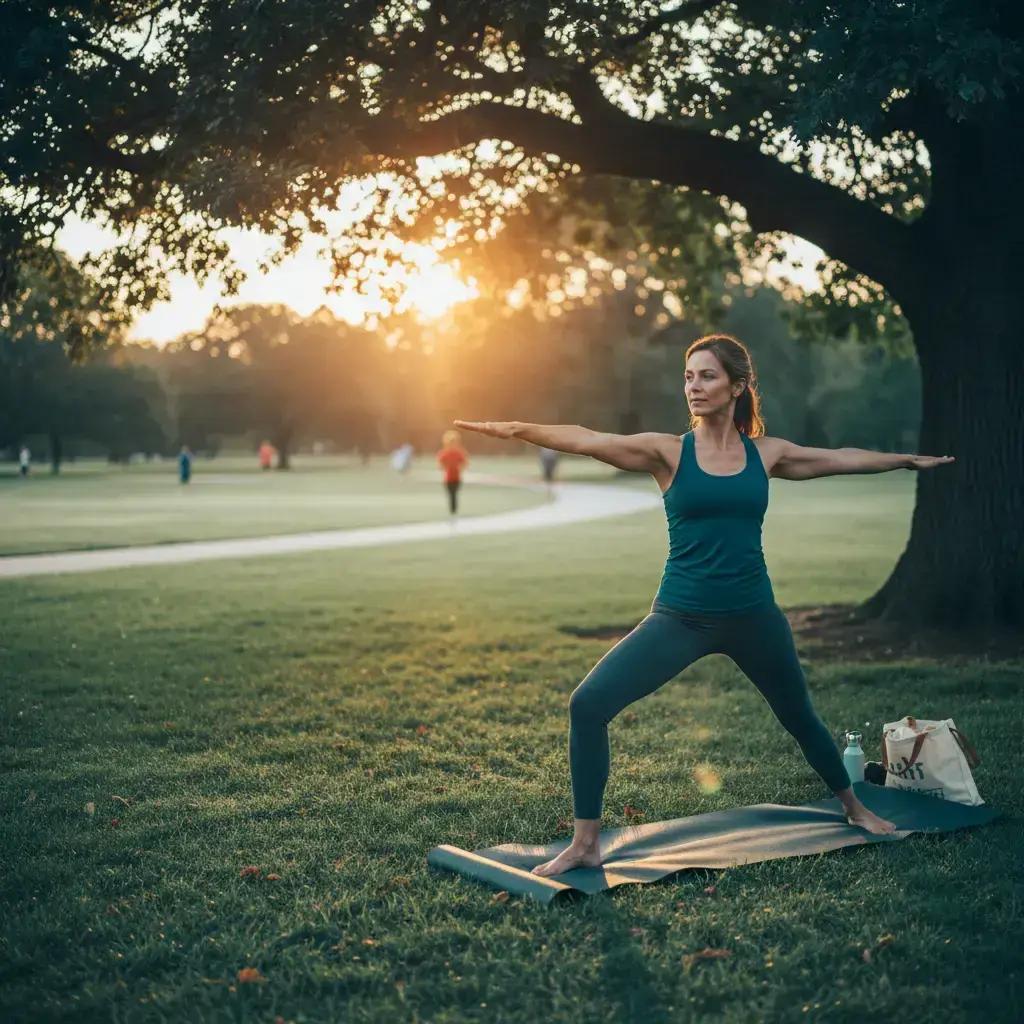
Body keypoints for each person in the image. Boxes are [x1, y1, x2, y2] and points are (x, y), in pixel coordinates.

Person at [455, 332, 957, 878]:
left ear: (738, 386)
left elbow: (838, 458)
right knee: (588, 704)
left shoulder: (767, 454)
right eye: (689, 376)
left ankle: (856, 808)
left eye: (707, 376)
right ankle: (584, 843)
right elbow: (585, 438)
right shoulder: (666, 451)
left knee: (800, 717)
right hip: (680, 617)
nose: (694, 386)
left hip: (754, 616)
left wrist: (905, 460)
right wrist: (513, 429)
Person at [436, 429, 468, 517]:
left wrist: (460, 468)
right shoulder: (444, 453)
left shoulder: (459, 452)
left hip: (457, 478)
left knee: (454, 494)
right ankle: (452, 511)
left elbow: (465, 462)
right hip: (448, 478)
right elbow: (439, 463)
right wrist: (444, 467)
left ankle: (454, 511)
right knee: (451, 495)